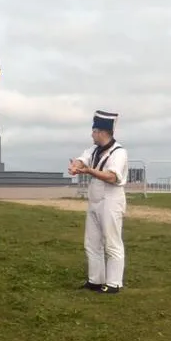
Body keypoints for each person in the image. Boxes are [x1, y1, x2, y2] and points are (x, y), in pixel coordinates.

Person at [68, 110, 129, 294]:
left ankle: (114, 283)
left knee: (112, 242)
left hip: (111, 199)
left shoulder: (119, 153)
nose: (92, 134)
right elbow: (82, 159)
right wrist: (76, 166)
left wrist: (88, 171)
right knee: (92, 242)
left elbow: (112, 177)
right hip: (95, 200)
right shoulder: (94, 150)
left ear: (102, 132)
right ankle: (95, 280)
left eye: (94, 131)